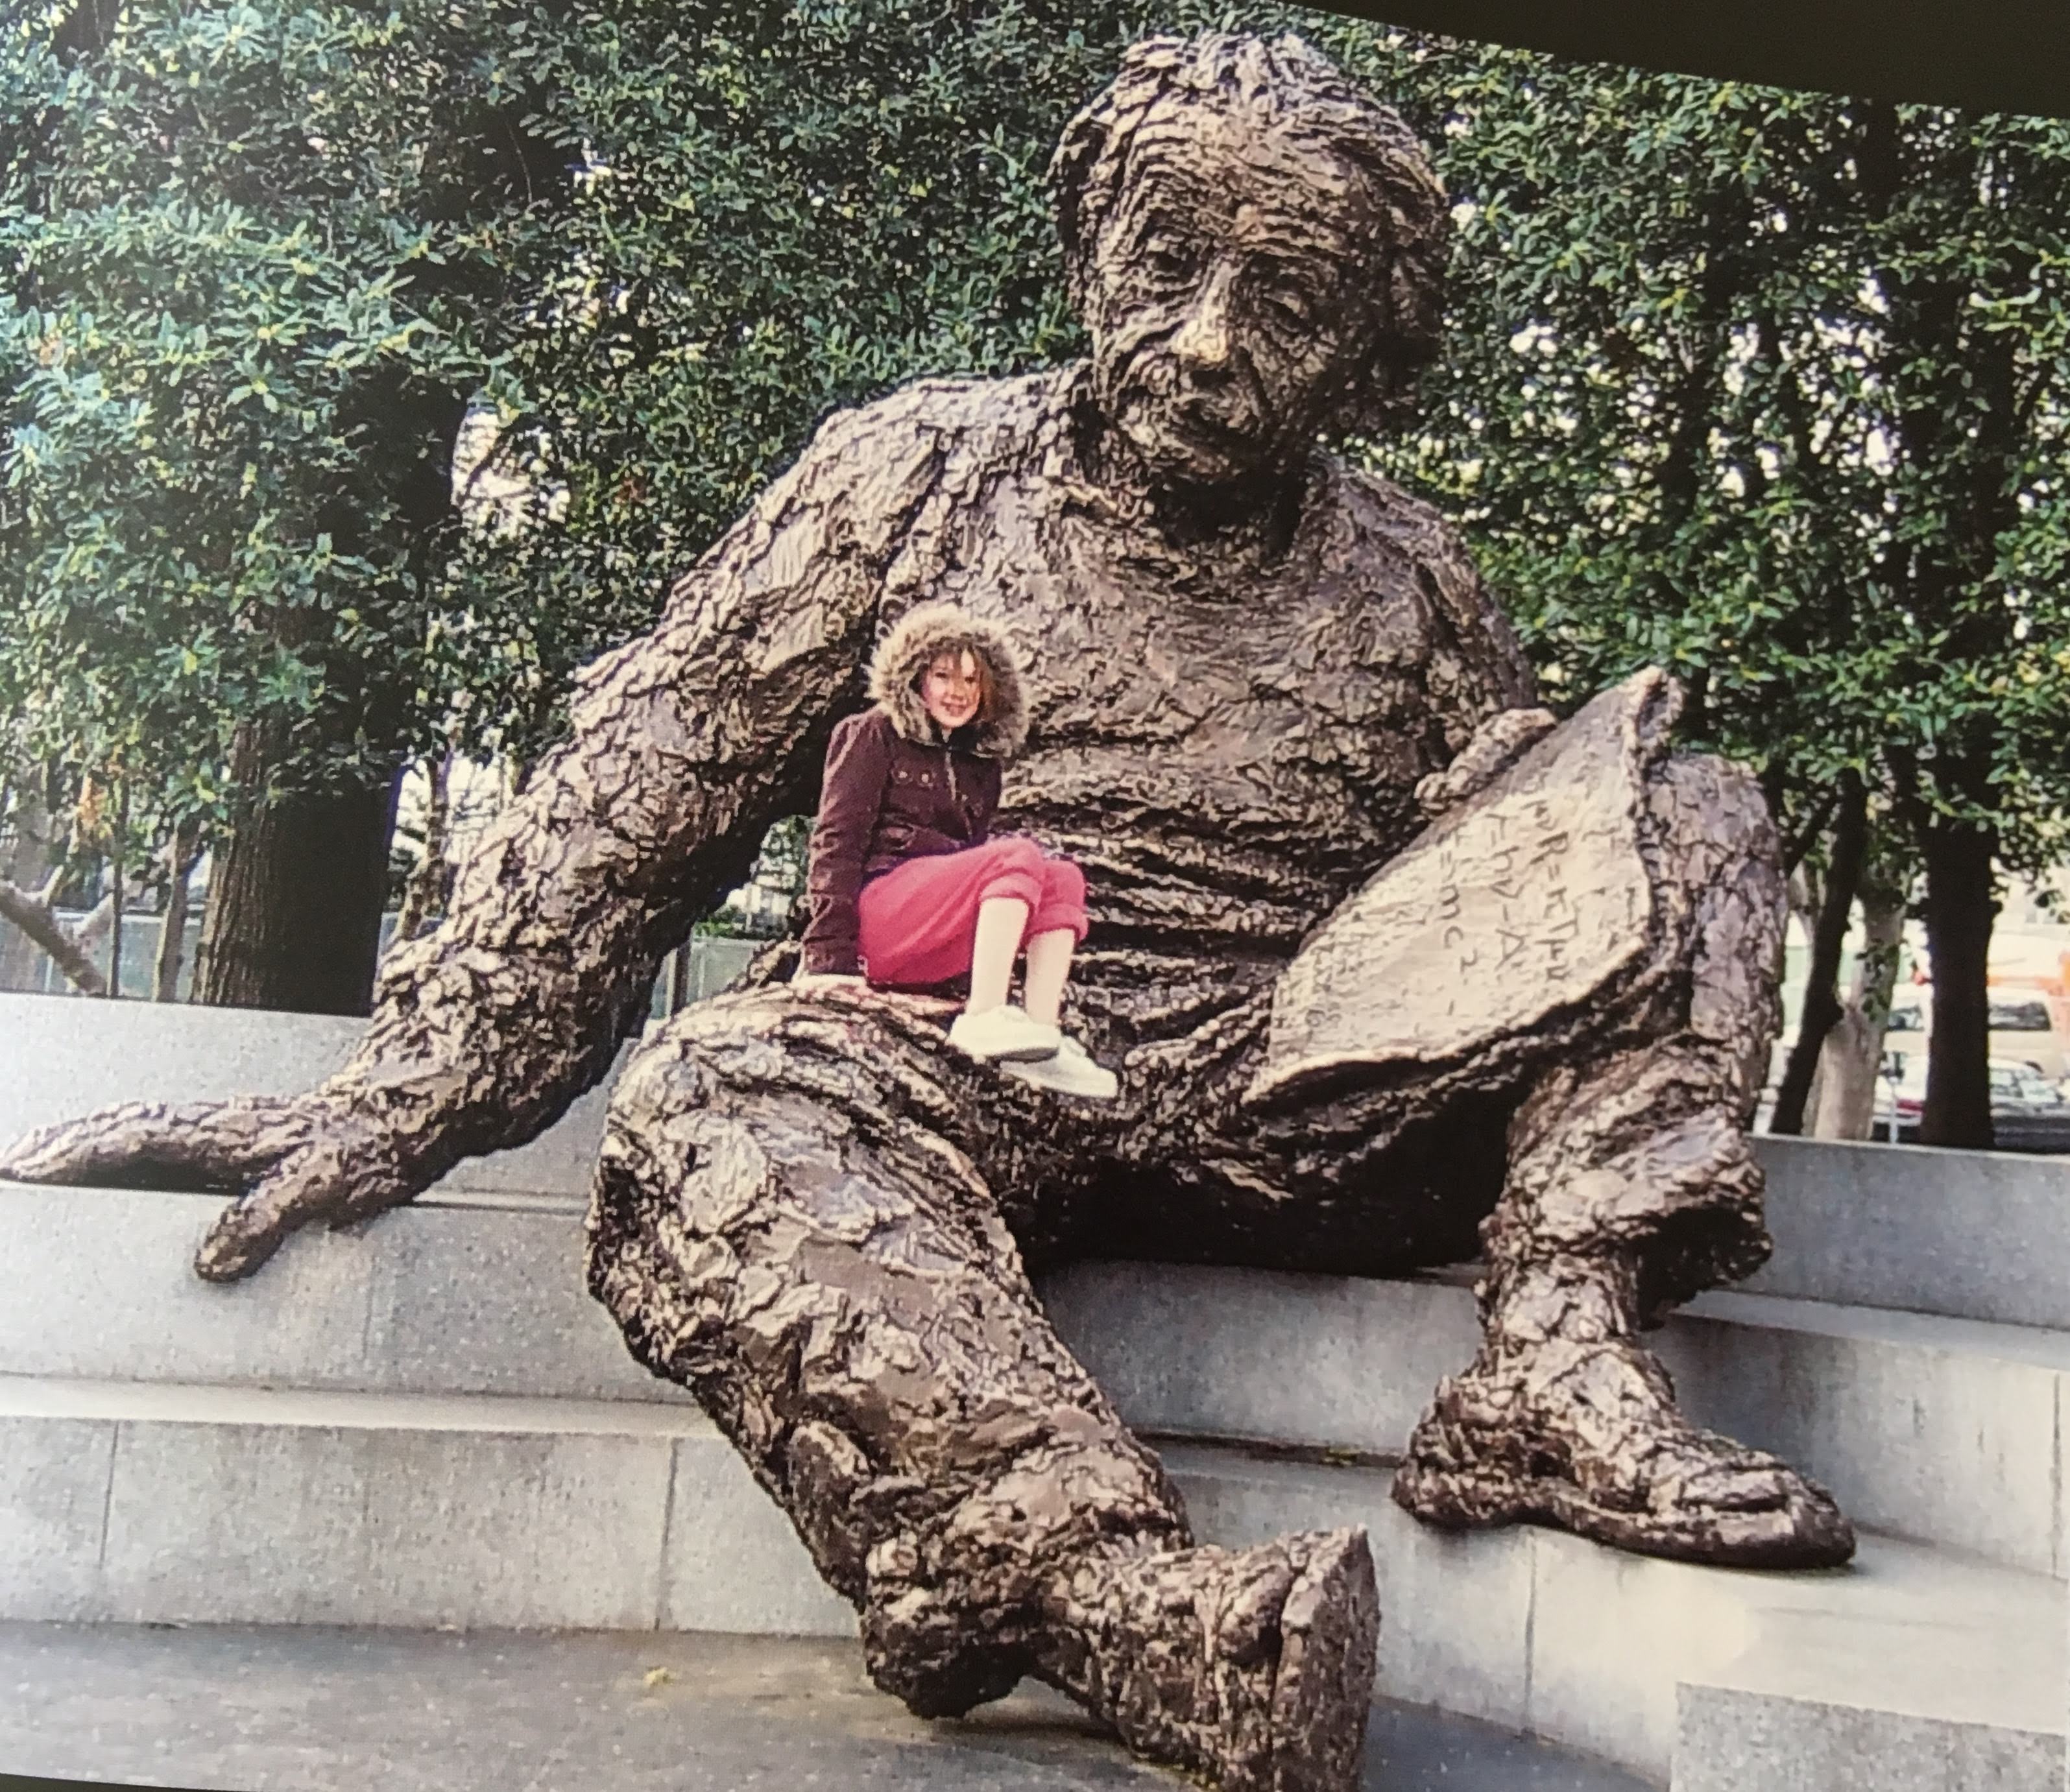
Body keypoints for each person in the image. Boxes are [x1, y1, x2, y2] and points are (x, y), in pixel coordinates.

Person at [796, 603, 1117, 1099]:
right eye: (943, 676)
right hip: (876, 921)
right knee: (1015, 854)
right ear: (915, 678)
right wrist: (828, 956)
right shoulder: (873, 732)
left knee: (1063, 879)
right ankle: (984, 1015)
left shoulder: (980, 765)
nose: (958, 691)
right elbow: (836, 843)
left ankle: (1041, 1037)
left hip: (929, 933)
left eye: (971, 679)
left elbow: (974, 871)